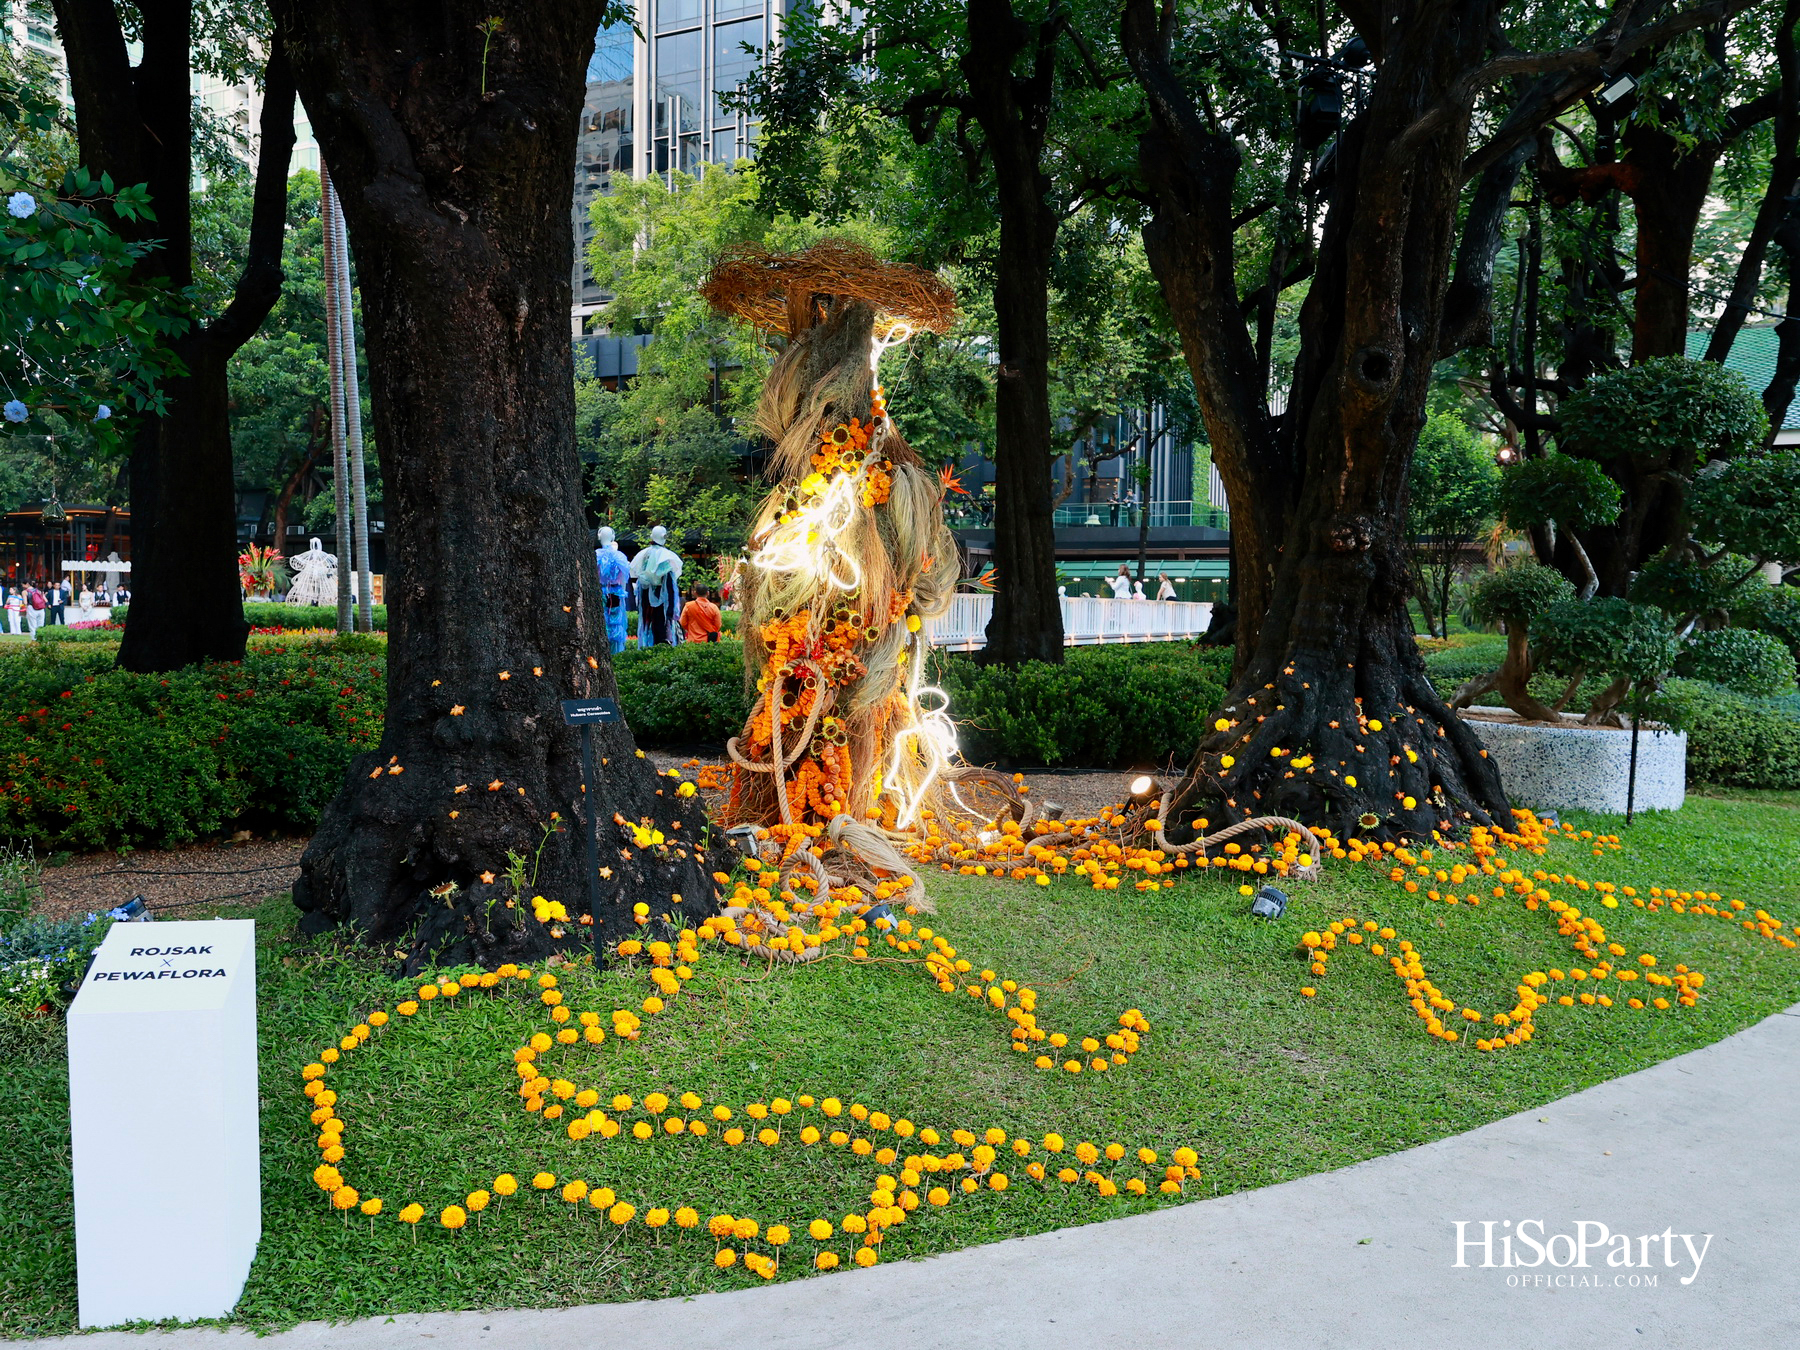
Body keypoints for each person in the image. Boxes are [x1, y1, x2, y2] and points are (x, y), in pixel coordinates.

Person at [630, 524, 684, 647]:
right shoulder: (665, 556)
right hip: (662, 601)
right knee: (662, 629)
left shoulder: (644, 555)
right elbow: (670, 585)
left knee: (651, 627)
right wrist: (670, 610)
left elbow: (640, 580)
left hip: (646, 601)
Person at [595, 525, 631, 654]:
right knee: (616, 623)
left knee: (601, 621)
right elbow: (624, 577)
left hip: (600, 592)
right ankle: (615, 652)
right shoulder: (619, 556)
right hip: (616, 592)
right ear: (613, 537)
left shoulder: (595, 555)